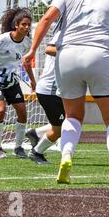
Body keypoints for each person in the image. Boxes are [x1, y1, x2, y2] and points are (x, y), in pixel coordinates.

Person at [22, 0, 109, 185]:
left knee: (72, 116)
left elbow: (46, 20)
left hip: (67, 57)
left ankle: (66, 157)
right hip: (99, 56)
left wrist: (32, 50)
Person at [0, 7, 36, 159]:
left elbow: (26, 63)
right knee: (0, 109)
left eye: (28, 25)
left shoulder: (27, 43)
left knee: (23, 113)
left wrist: (32, 80)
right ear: (16, 25)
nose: (26, 27)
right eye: (23, 24)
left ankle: (18, 148)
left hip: (12, 82)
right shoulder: (3, 39)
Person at [25, 34, 64, 165]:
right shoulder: (62, 34)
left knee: (70, 122)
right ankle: (37, 152)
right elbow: (49, 49)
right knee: (61, 128)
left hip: (56, 90)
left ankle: (35, 133)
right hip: (50, 90)